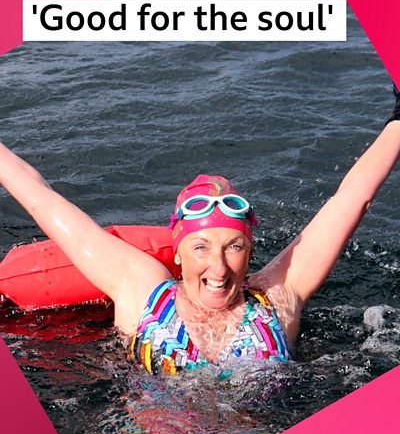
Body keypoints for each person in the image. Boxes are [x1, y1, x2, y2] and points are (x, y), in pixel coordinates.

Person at [1, 88, 399, 376]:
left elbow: (353, 199)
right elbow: (42, 199)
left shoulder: (278, 298)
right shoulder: (139, 289)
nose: (219, 267)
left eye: (234, 247)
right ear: (177, 252)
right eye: (201, 247)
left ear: (250, 250)